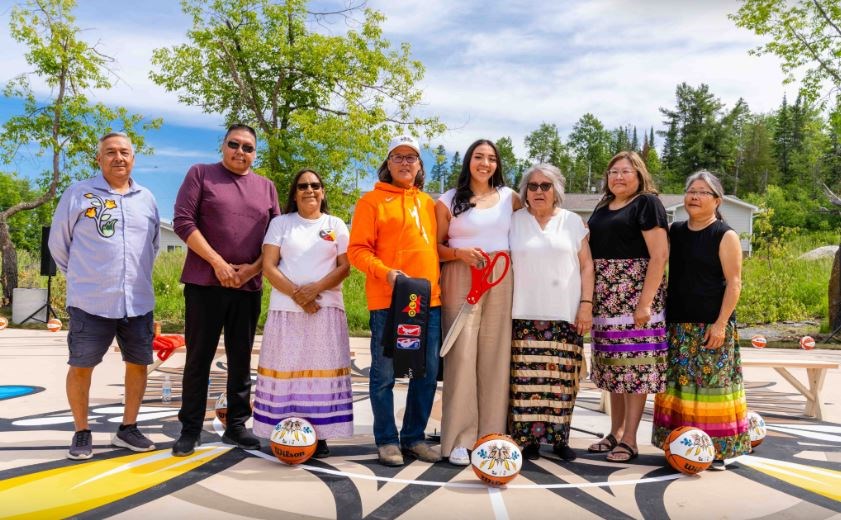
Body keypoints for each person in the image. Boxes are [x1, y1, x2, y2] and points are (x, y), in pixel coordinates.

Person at [49, 132, 160, 460]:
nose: (118, 158)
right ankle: (82, 431)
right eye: (110, 152)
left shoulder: (148, 199)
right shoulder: (78, 194)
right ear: (99, 159)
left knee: (138, 365)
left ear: (133, 158)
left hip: (137, 301)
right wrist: (85, 278)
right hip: (90, 302)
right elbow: (59, 245)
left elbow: (152, 247)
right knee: (81, 366)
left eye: (124, 152)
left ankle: (128, 429)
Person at [172, 124, 280, 456]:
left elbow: (277, 237)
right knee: (198, 358)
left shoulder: (267, 187)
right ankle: (190, 429)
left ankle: (236, 426)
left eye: (248, 147)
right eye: (234, 144)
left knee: (240, 358)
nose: (240, 152)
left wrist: (252, 268)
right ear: (223, 146)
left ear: (255, 153)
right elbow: (183, 221)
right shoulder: (201, 174)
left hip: (248, 287)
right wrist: (217, 262)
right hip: (205, 283)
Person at [348, 135, 442, 466]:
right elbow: (357, 250)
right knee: (384, 374)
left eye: (411, 157)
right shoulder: (371, 202)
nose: (405, 162)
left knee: (426, 373)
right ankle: (387, 440)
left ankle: (414, 438)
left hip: (428, 303)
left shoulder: (429, 204)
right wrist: (386, 272)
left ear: (419, 166)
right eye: (398, 157)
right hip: (388, 301)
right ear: (388, 164)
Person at [652, 171, 749, 470]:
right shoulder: (675, 231)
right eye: (691, 190)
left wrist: (721, 324)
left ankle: (715, 450)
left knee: (711, 389)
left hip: (711, 326)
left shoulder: (725, 234)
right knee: (679, 389)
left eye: (702, 192)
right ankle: (679, 445)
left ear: (717, 200)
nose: (694, 196)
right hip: (677, 325)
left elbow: (734, 283)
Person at [252, 169, 352, 458]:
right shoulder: (281, 223)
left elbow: (345, 266)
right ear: (294, 193)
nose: (310, 190)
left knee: (319, 373)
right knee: (288, 372)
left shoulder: (336, 224)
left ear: (323, 192)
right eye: (303, 186)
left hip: (325, 308)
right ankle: (282, 430)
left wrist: (315, 289)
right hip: (287, 309)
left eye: (315, 185)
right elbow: (269, 266)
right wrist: (299, 294)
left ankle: (319, 436)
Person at [435, 139, 521, 466]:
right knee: (461, 355)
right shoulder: (447, 201)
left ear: (497, 164)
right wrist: (460, 254)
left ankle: (491, 434)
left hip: (501, 276)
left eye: (491, 158)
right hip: (461, 276)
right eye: (478, 157)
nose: (485, 163)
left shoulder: (510, 198)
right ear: (468, 161)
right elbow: (436, 247)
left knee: (495, 354)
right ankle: (458, 438)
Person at [508, 164, 594, 461]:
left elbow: (586, 266)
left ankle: (559, 440)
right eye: (533, 186)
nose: (539, 191)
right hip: (523, 313)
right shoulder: (514, 221)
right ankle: (528, 441)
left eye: (546, 186)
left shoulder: (573, 222)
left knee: (562, 382)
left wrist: (586, 304)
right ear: (525, 192)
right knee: (525, 381)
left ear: (556, 190)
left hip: (565, 313)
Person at [587, 151, 668, 463]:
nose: (618, 177)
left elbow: (659, 256)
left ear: (639, 175)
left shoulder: (647, 203)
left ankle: (631, 439)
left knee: (636, 370)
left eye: (625, 171)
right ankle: (615, 432)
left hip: (636, 294)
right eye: (613, 172)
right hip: (605, 298)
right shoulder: (603, 207)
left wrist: (645, 303)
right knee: (613, 371)